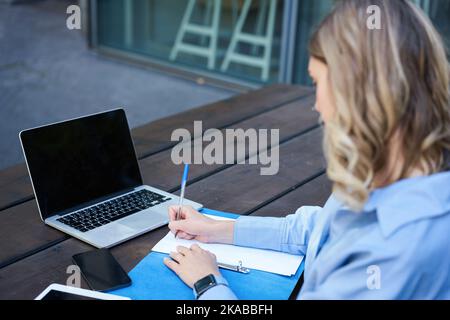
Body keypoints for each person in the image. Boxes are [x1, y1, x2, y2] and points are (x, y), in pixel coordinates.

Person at [163, 0, 450, 299]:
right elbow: (319, 230)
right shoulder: (397, 170)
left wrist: (208, 283)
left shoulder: (390, 251)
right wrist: (218, 229)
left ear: (355, 94)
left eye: (316, 83)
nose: (316, 104)